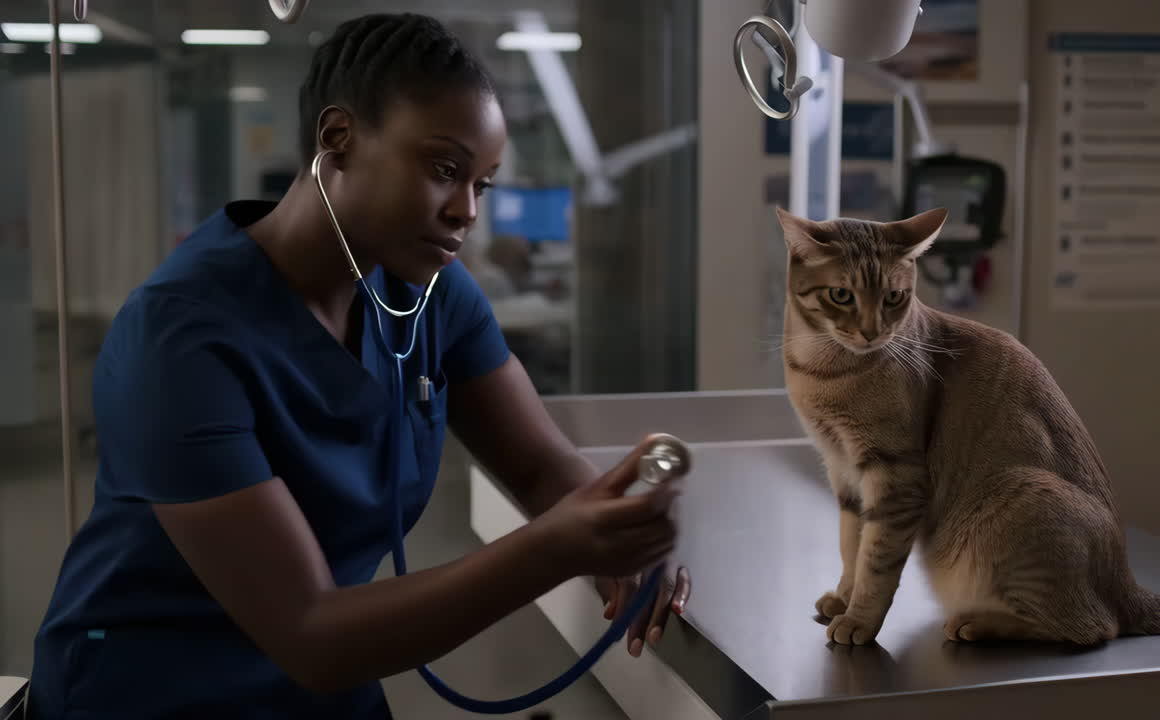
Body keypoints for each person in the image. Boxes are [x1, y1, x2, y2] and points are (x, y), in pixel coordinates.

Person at [29, 13, 691, 719]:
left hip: (326, 688)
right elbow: (311, 634)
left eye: (482, 184)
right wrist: (555, 549)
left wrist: (617, 527)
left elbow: (536, 467)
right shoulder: (178, 339)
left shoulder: (432, 294)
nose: (466, 210)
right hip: (154, 695)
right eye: (444, 170)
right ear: (338, 140)